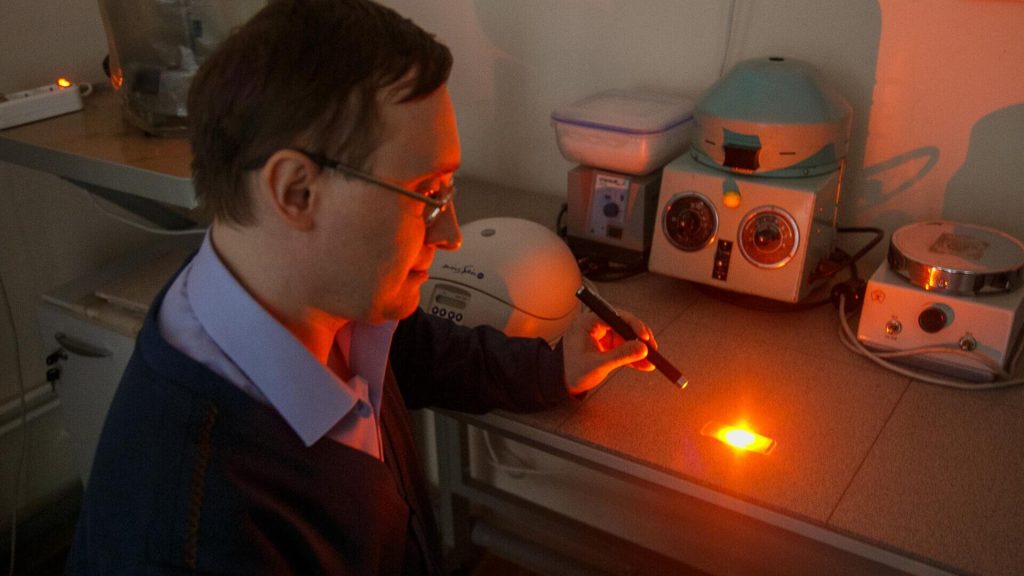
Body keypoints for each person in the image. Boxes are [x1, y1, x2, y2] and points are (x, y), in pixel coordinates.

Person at [66, 0, 658, 574]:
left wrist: (553, 367)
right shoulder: (195, 536)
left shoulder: (308, 300)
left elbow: (415, 351)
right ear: (296, 191)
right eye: (427, 193)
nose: (451, 234)